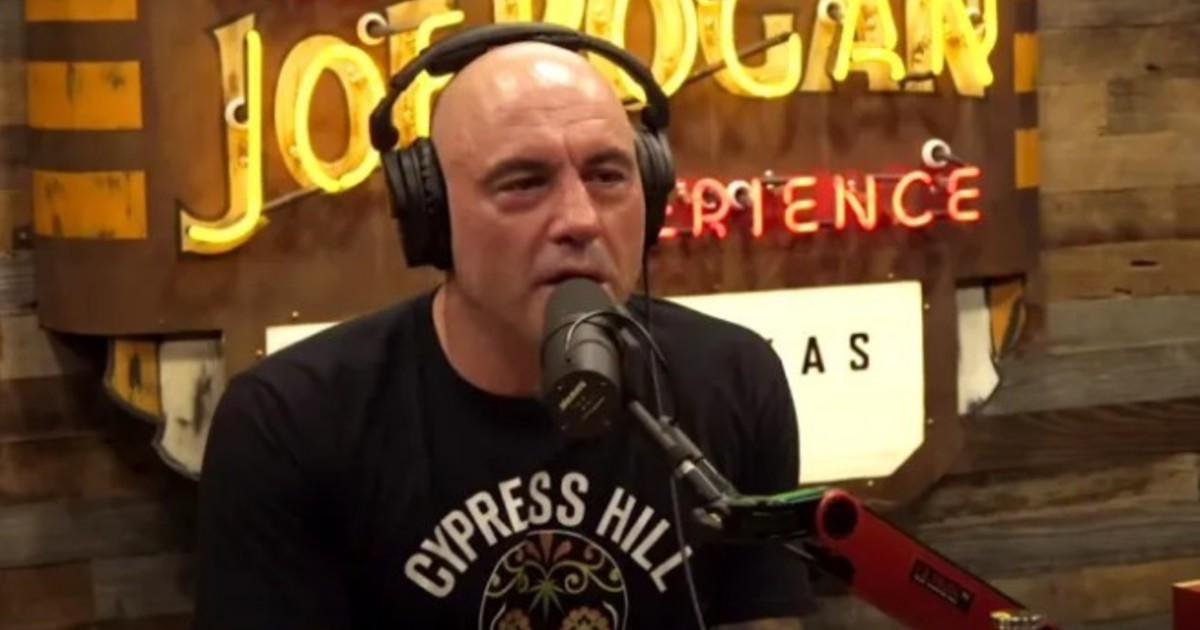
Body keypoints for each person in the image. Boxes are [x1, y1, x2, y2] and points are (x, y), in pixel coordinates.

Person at [194, 30, 816, 630]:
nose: (580, 219)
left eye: (607, 176)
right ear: (433, 219)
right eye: (524, 183)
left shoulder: (734, 379)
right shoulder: (289, 422)